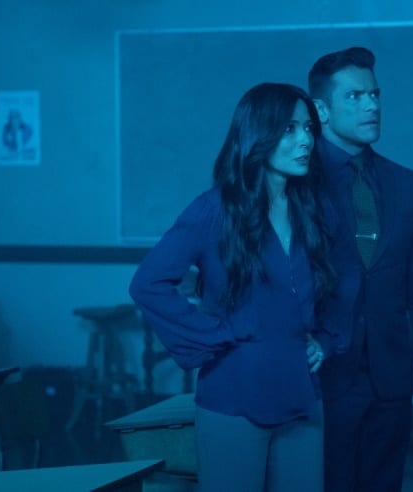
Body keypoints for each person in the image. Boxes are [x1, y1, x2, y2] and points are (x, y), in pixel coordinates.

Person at [129, 82, 357, 492]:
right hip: (234, 395)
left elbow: (344, 281)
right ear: (258, 134)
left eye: (308, 128)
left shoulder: (314, 209)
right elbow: (148, 284)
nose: (306, 140)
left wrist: (325, 339)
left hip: (302, 395)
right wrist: (216, 334)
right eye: (289, 129)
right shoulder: (214, 210)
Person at [308, 46, 413, 492]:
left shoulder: (405, 184)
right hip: (321, 381)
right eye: (354, 97)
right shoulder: (298, 182)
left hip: (390, 384)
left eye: (374, 94)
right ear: (321, 110)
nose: (371, 106)